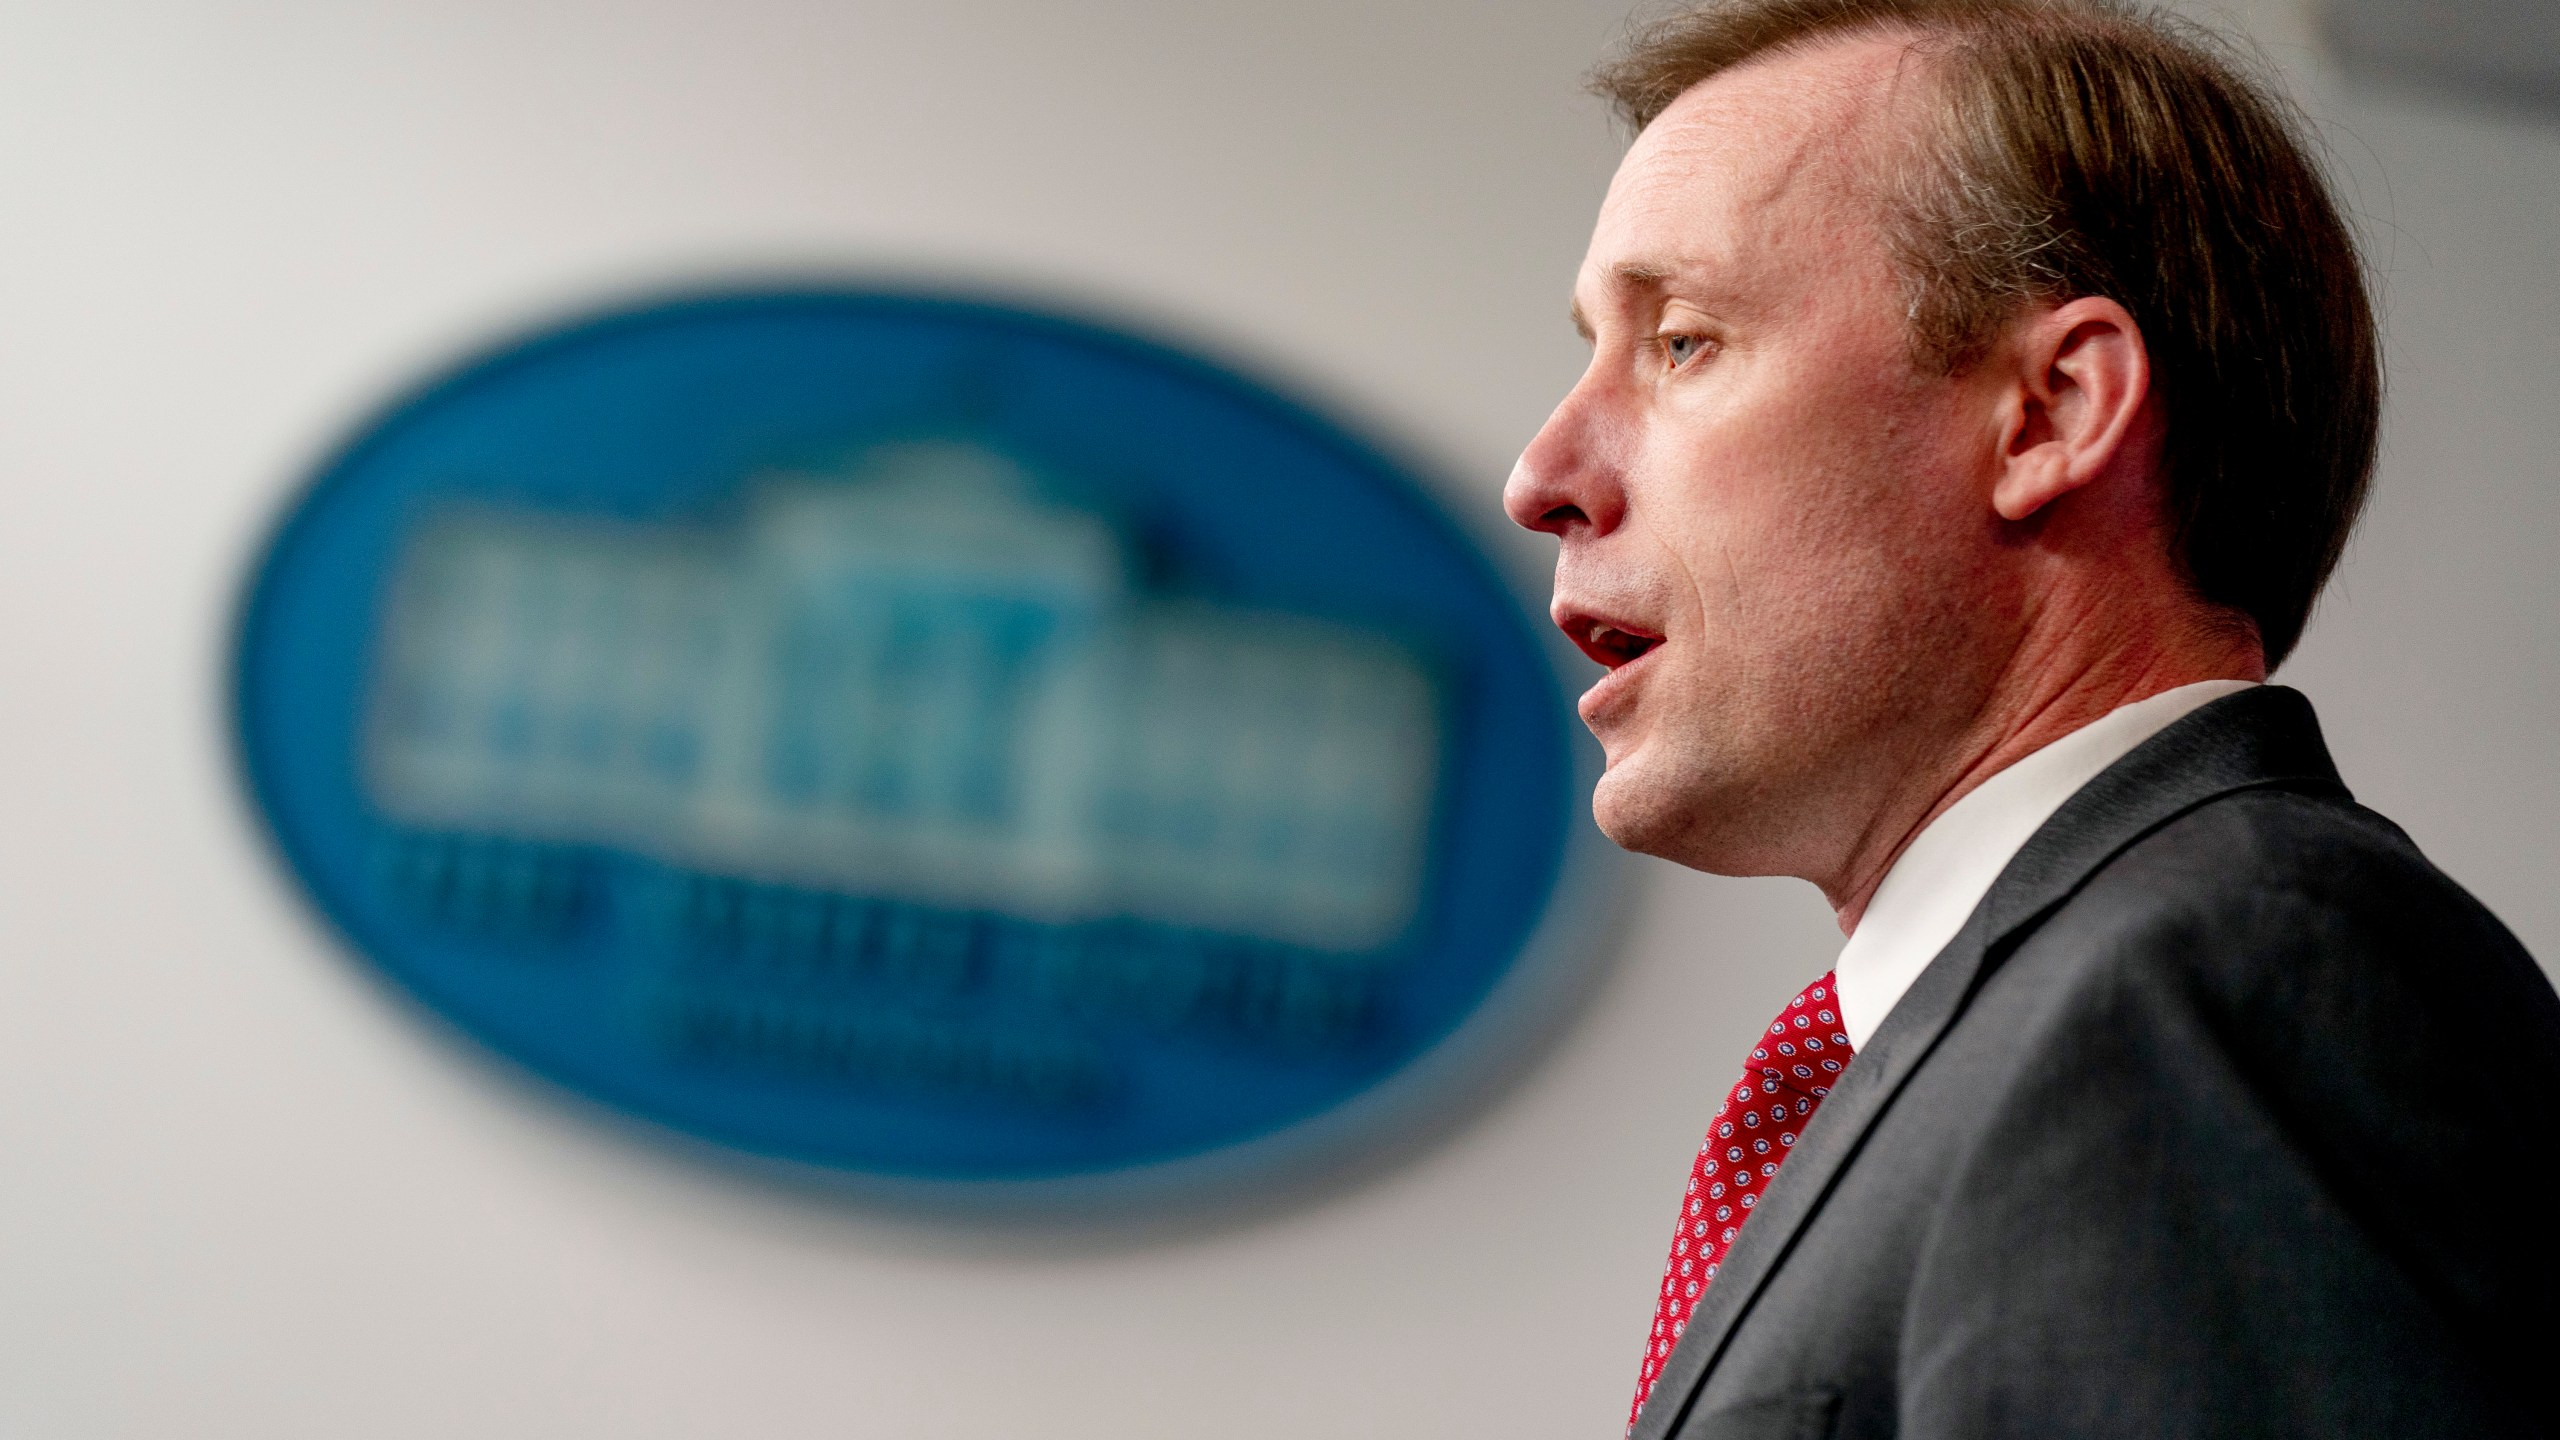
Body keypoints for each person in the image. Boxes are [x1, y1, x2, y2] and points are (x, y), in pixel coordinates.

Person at [1499, 0, 2560, 1434]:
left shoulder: (2223, 978)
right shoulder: (2058, 1010)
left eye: (1682, 342)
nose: (1543, 475)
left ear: (2052, 414)